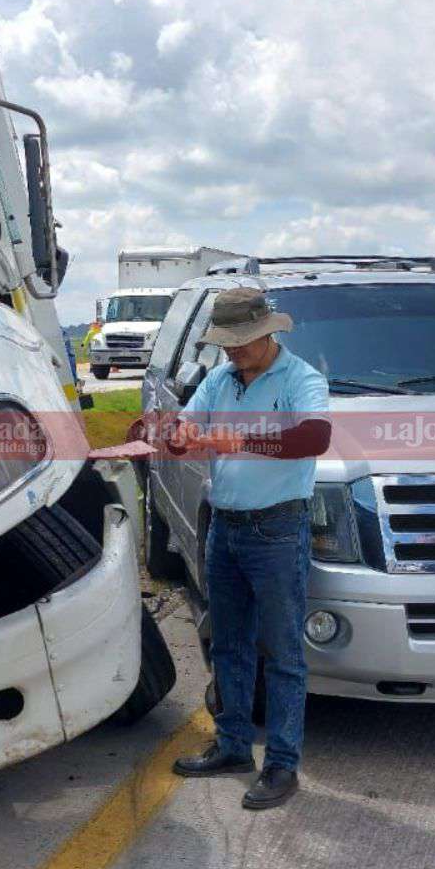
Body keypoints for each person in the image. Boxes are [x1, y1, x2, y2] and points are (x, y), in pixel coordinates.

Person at [166, 288, 331, 810]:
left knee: (282, 653)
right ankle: (234, 745)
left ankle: (282, 764)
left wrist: (242, 440)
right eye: (225, 343)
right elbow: (186, 425)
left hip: (278, 528)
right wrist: (173, 433)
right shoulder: (219, 379)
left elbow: (314, 439)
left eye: (240, 342)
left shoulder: (302, 380)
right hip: (227, 527)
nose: (232, 351)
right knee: (230, 644)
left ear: (267, 332)